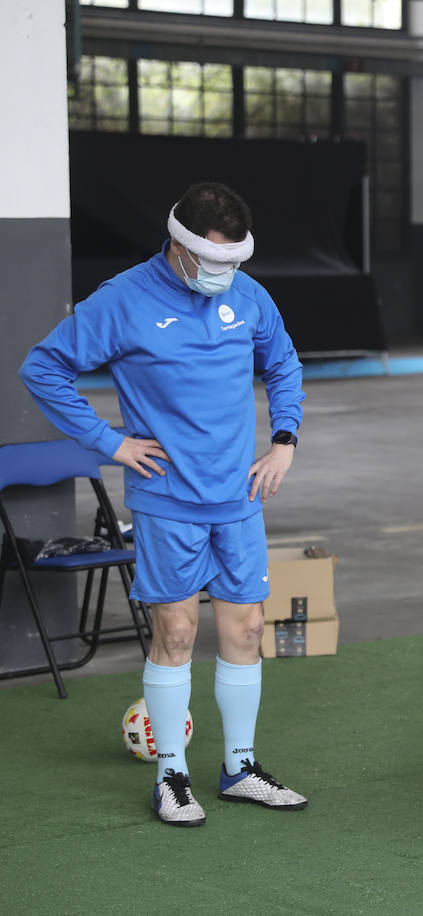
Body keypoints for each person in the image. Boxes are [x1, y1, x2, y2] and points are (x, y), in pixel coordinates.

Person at [20, 182, 308, 827]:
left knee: (248, 631)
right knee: (176, 631)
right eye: (213, 262)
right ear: (177, 246)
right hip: (168, 498)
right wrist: (108, 442)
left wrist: (284, 440)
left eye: (234, 262)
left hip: (238, 495)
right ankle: (171, 777)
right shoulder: (124, 300)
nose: (223, 275)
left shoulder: (249, 294)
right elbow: (44, 367)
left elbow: (283, 365)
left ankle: (240, 768)